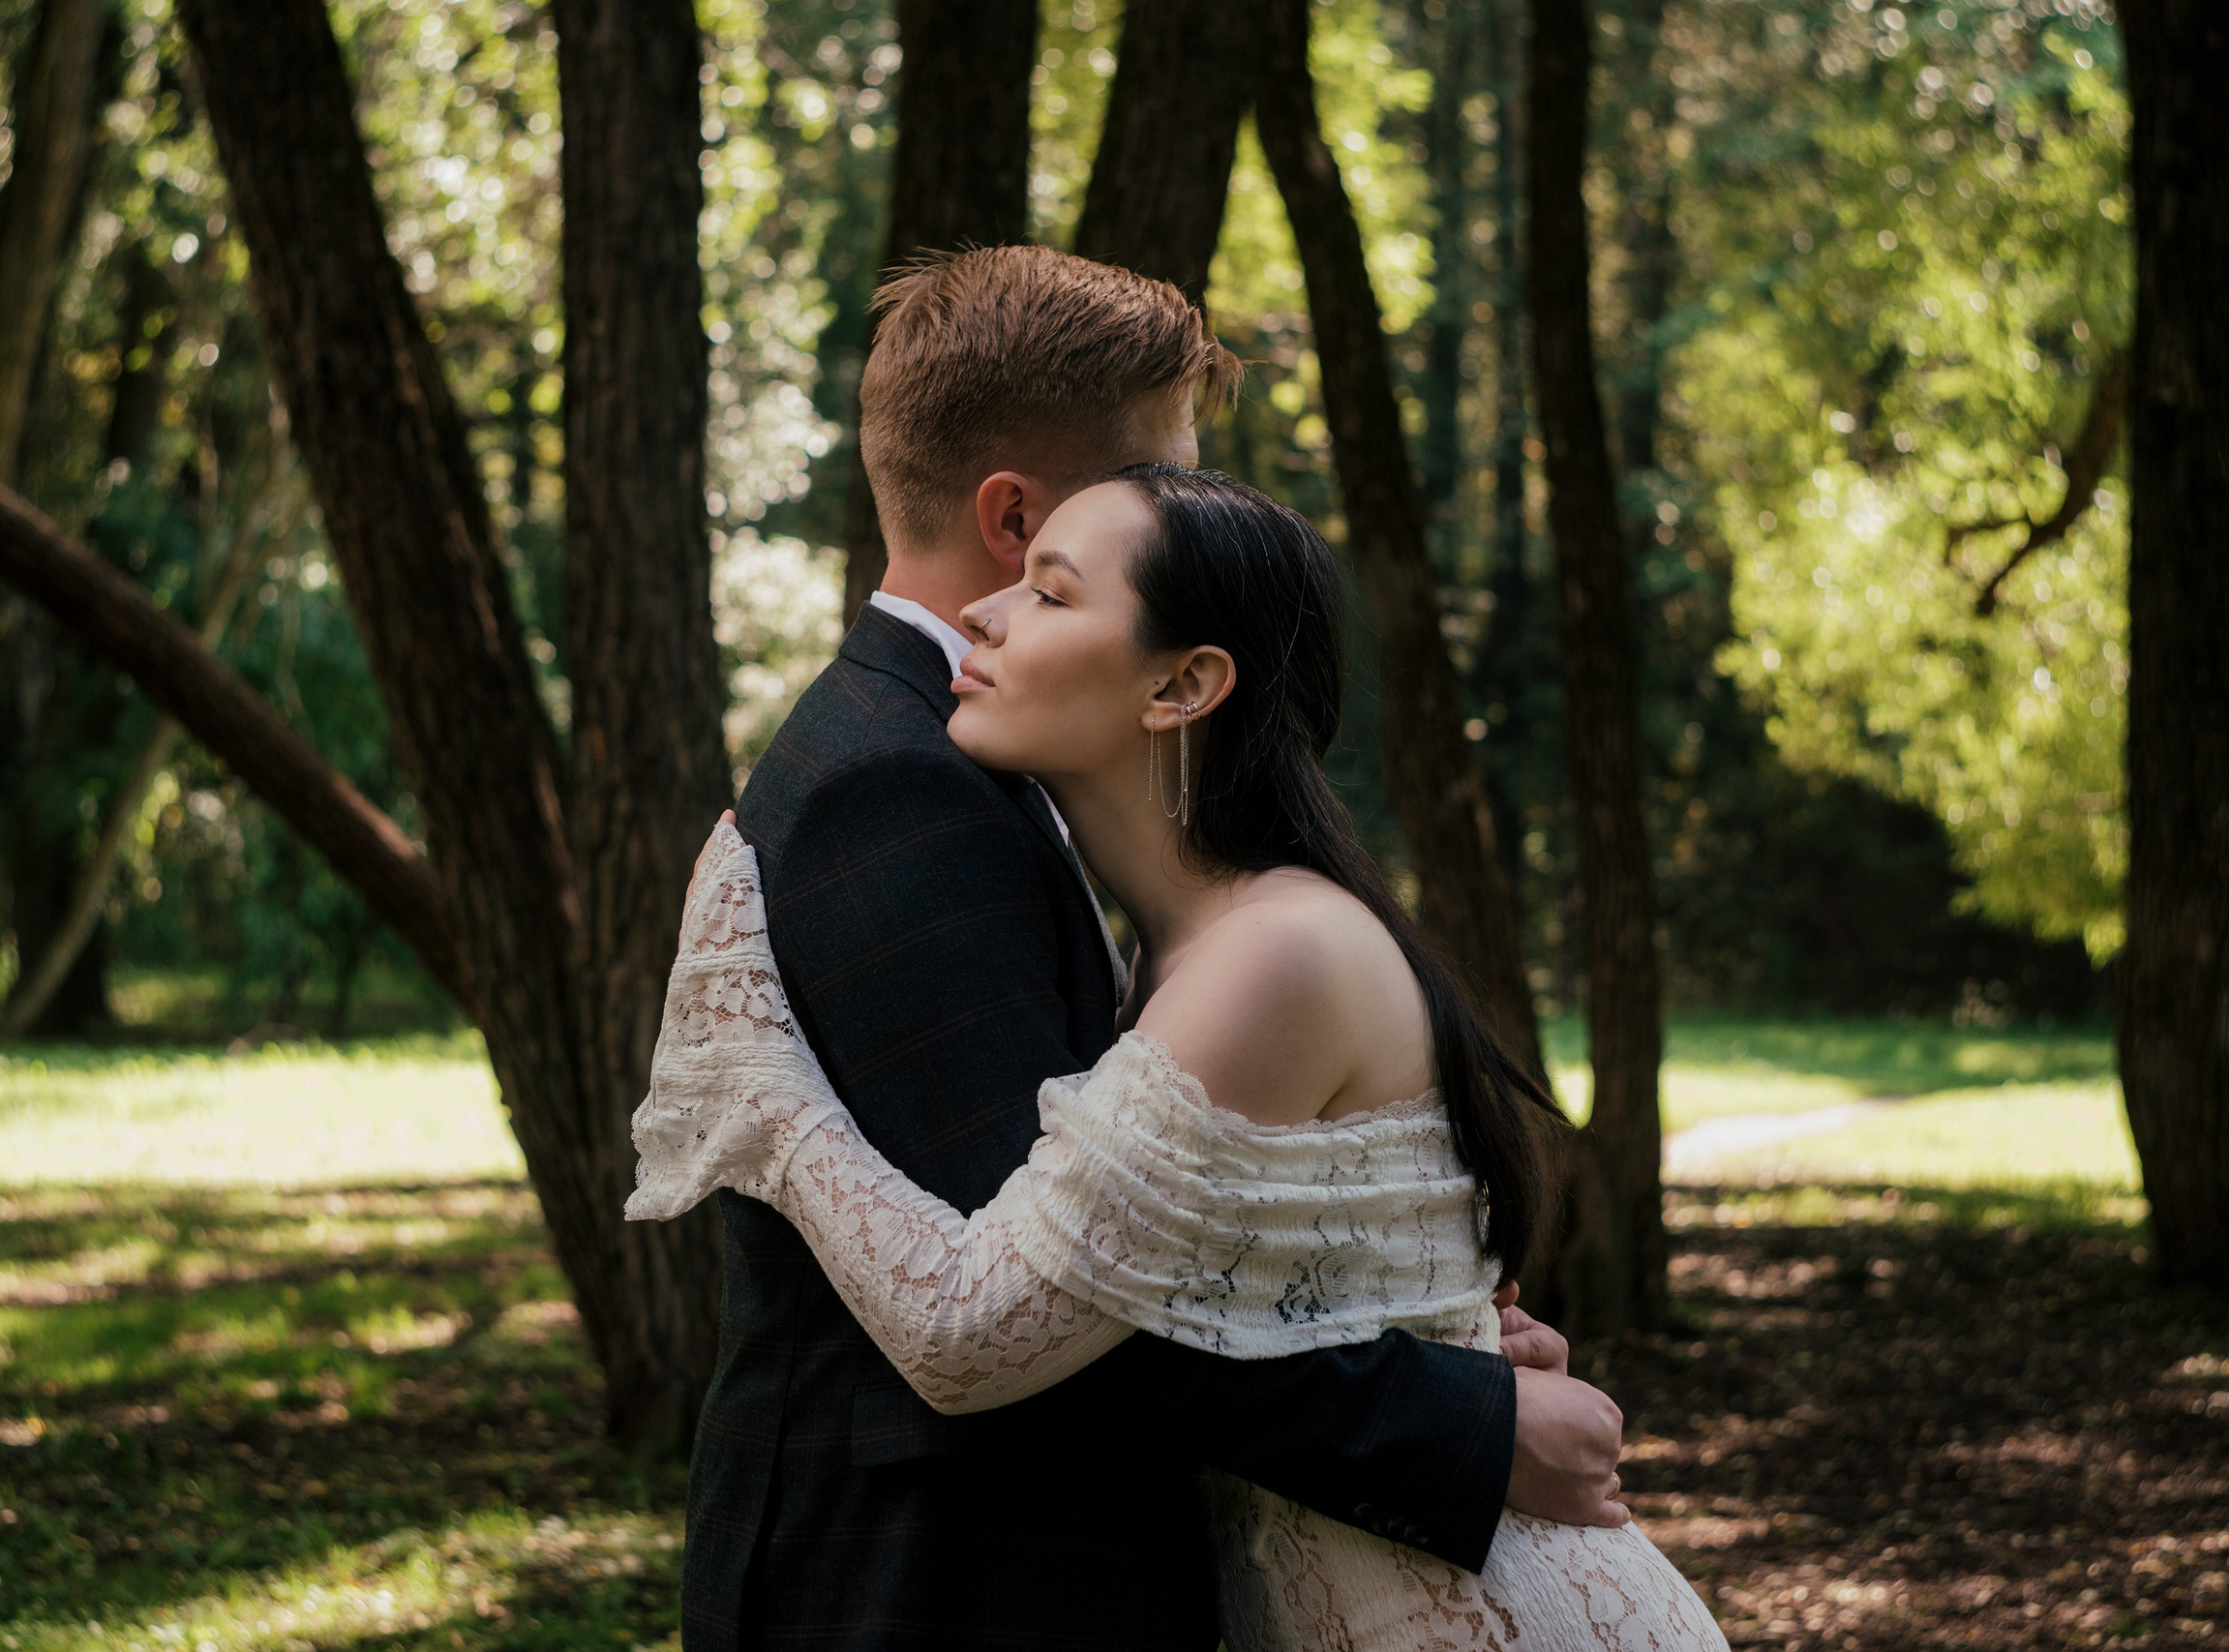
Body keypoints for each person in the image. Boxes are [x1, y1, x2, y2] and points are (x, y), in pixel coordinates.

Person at [664, 246, 1633, 1651]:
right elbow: (1022, 1302)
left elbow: (1115, 1255)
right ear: (1016, 518)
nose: (1196, 501)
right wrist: (1459, 1422)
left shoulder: (1034, 791)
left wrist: (1441, 1339)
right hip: (922, 1589)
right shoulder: (896, 785)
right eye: (1170, 472)